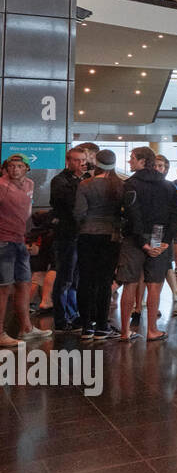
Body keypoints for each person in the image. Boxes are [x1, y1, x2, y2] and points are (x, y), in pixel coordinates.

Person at [118, 147, 177, 342]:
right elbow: (175, 216)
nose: (129, 162)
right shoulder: (169, 186)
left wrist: (141, 242)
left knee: (130, 284)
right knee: (155, 285)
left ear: (142, 161)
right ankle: (152, 330)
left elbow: (131, 214)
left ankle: (124, 331)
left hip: (133, 240)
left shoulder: (130, 185)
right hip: (159, 236)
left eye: (132, 158)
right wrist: (164, 242)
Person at [74, 150, 125, 344]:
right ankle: (102, 325)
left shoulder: (85, 185)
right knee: (104, 281)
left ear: (96, 163)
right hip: (111, 236)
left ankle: (86, 326)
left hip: (87, 235)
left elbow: (79, 212)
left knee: (85, 280)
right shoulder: (120, 185)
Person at [0, 155, 50, 346]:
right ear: (6, 169)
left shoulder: (29, 184)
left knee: (24, 283)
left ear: (26, 168)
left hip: (20, 240)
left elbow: (27, 211)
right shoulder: (2, 185)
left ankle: (27, 328)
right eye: (11, 166)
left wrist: (29, 237)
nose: (15, 169)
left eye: (19, 166)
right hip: (3, 241)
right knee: (3, 288)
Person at [48, 146, 87, 333]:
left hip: (82, 236)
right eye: (76, 160)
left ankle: (74, 315)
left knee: (77, 279)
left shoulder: (86, 180)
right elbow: (70, 202)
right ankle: (61, 319)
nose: (80, 164)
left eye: (82, 160)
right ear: (68, 161)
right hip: (66, 236)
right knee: (64, 278)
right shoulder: (59, 181)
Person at [154, 153, 177, 314]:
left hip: (165, 231)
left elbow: (176, 209)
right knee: (156, 266)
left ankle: (174, 293)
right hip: (154, 231)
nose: (158, 169)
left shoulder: (170, 186)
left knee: (166, 263)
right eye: (156, 165)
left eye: (161, 166)